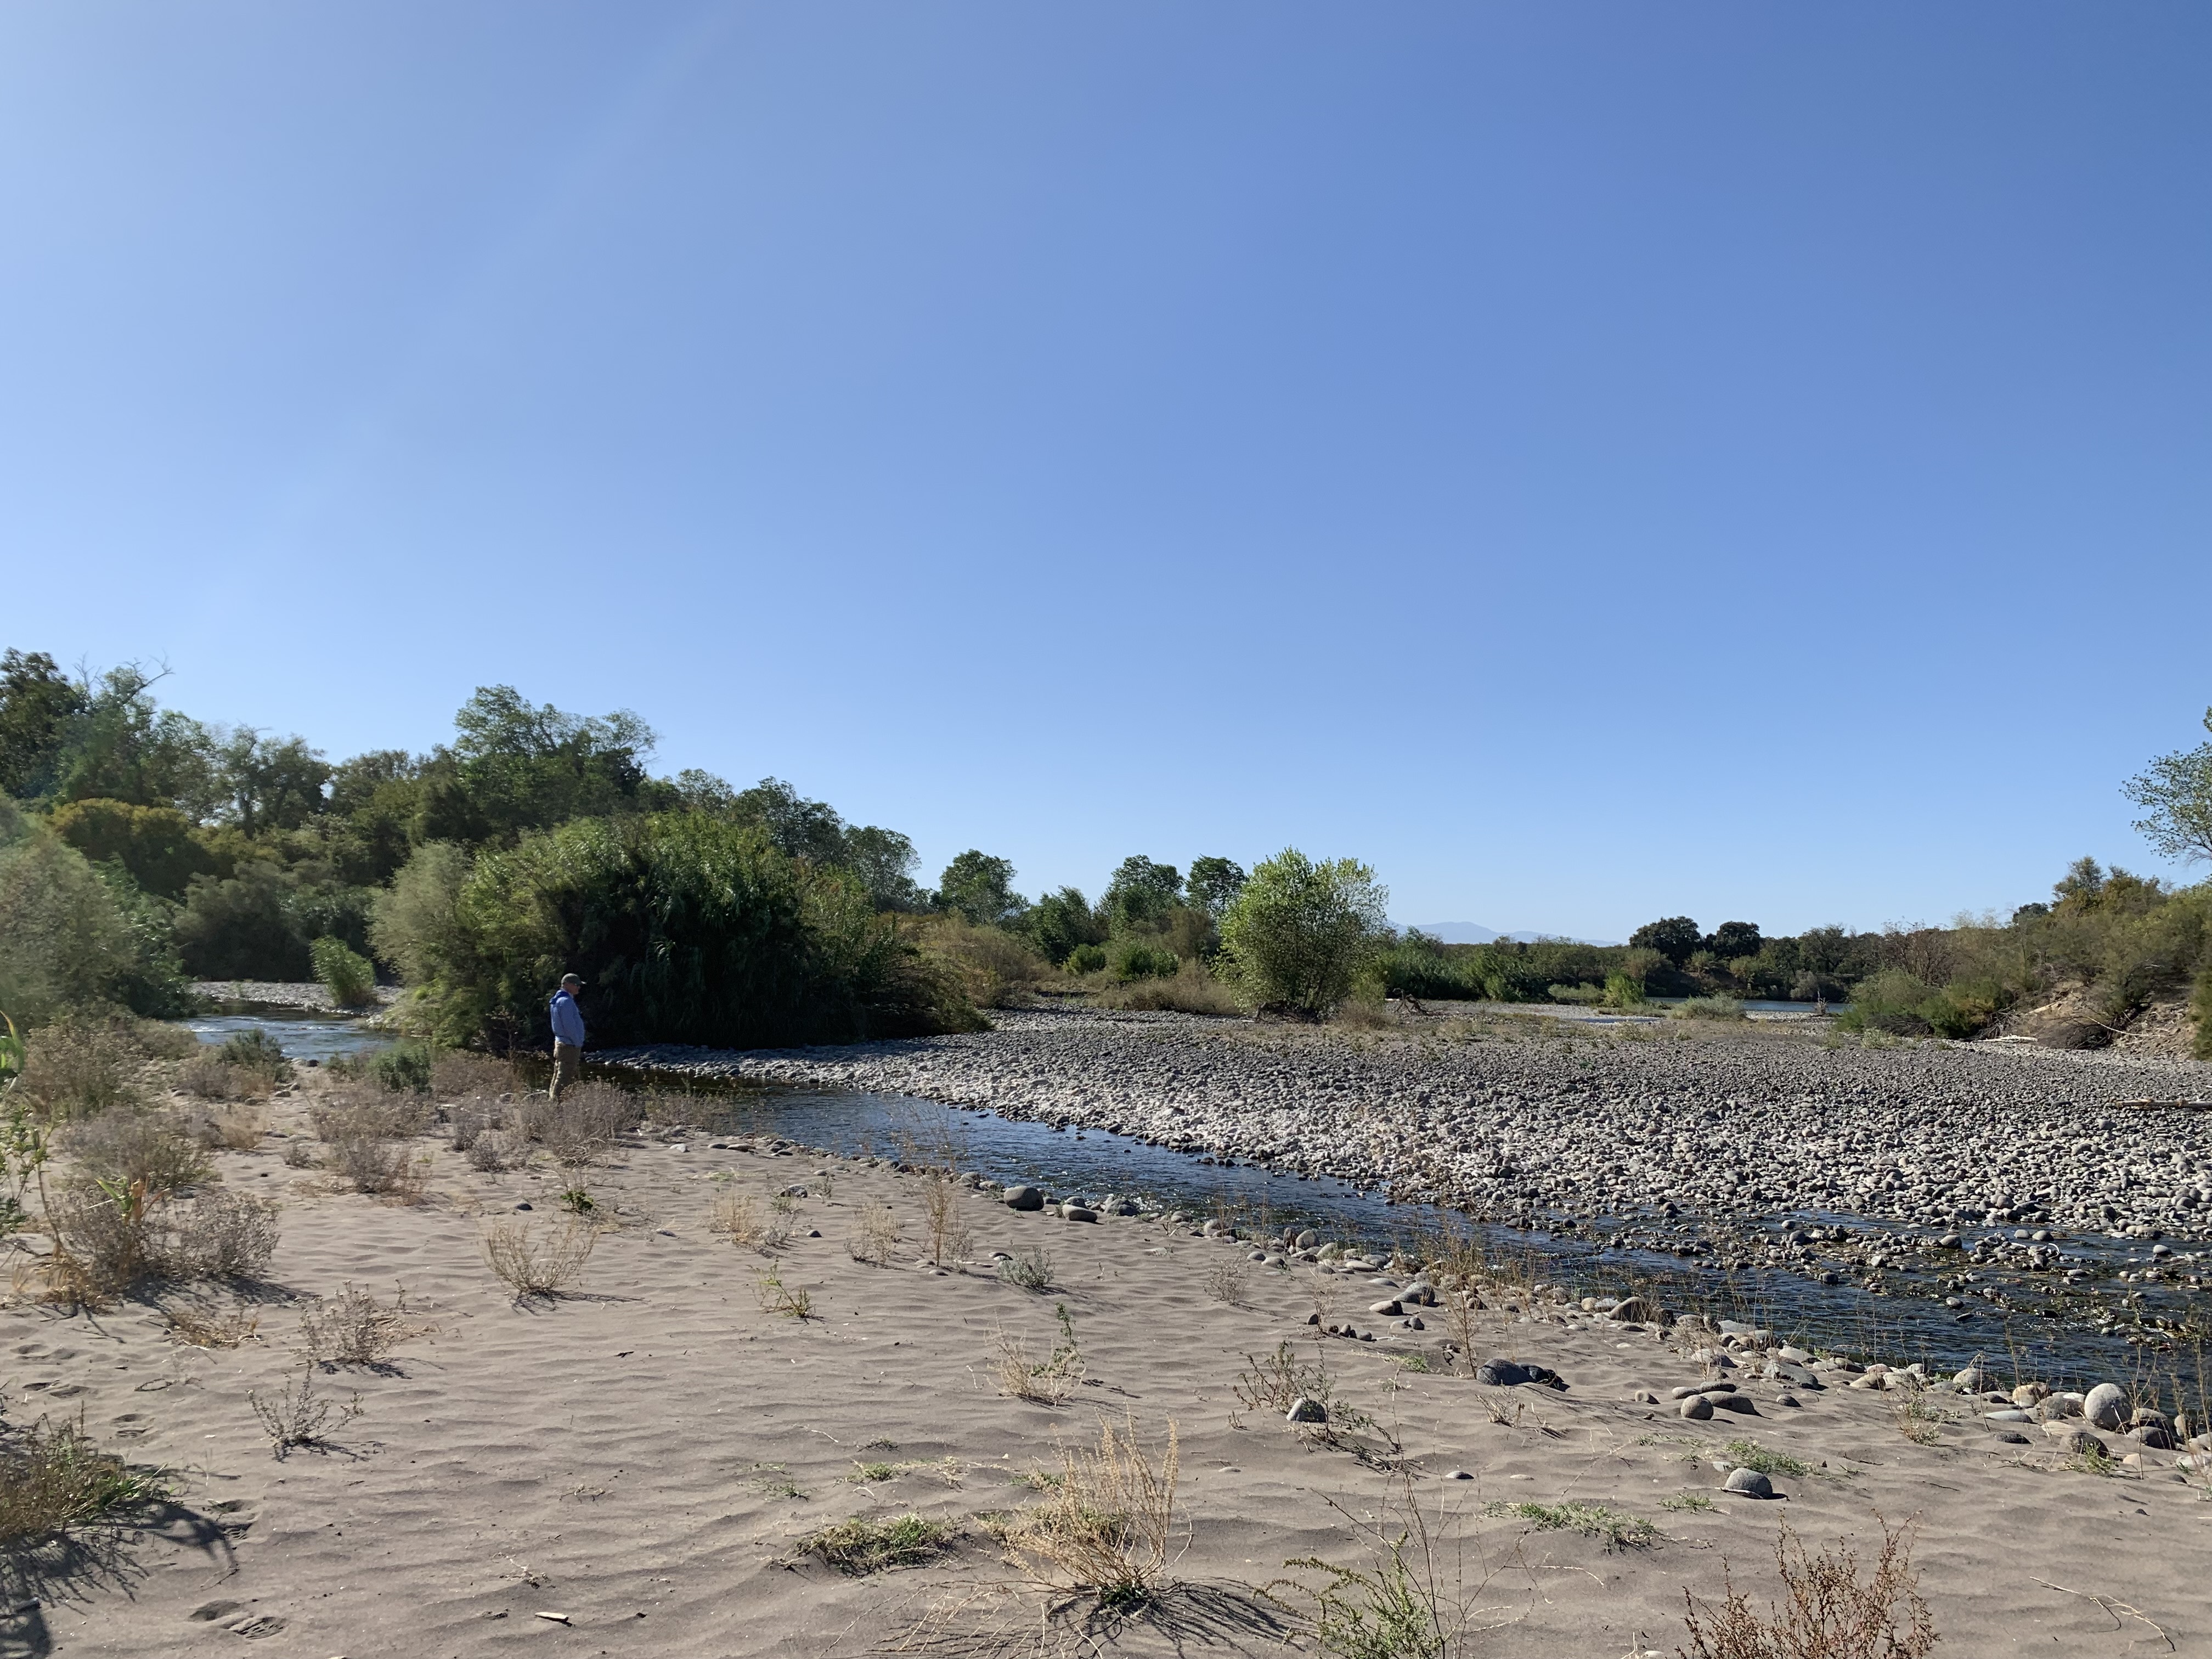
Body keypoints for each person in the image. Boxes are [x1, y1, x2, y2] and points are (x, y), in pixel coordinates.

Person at [548, 973, 587, 1099]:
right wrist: (578, 1042)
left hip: (561, 1042)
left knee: (559, 1073)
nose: (578, 988)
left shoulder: (557, 1000)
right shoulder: (565, 1002)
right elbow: (569, 1026)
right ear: (567, 985)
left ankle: (553, 1100)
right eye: (576, 985)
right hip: (569, 1044)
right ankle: (556, 1104)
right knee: (565, 1076)